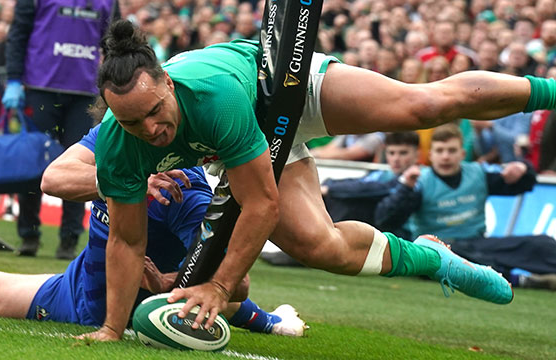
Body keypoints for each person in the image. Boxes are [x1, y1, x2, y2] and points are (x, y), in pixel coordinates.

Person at [89, 19, 556, 341]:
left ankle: (550, 92)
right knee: (321, 248)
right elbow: (127, 243)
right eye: (132, 123)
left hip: (283, 92)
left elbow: (261, 205)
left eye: (154, 112)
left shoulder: (213, 99)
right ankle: (433, 258)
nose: (150, 129)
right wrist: (112, 329)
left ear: (167, 82)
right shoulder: (117, 144)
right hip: (243, 146)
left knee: (422, 107)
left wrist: (220, 287)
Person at [0, 124, 307, 337]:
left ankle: (269, 320)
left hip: (140, 310)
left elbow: (235, 283)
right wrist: (125, 183)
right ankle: (271, 319)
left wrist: (166, 283)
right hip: (73, 291)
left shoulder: (184, 191)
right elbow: (52, 178)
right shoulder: (114, 136)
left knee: (216, 305)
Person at [3, 0, 119, 260]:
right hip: (40, 89)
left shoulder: (108, 2)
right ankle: (29, 235)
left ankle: (69, 240)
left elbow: (113, 45)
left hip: (84, 96)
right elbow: (18, 34)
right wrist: (12, 79)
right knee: (33, 165)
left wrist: (114, 85)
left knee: (79, 166)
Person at [374, 124, 556, 289]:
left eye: (451, 150)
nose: (445, 156)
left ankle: (514, 275)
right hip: (437, 249)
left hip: (477, 243)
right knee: (450, 258)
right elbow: (385, 219)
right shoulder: (418, 181)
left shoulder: (479, 174)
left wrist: (523, 168)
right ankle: (520, 281)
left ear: (462, 154)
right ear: (430, 155)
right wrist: (405, 189)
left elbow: (523, 184)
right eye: (440, 150)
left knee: (542, 244)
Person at [321, 132, 420, 239]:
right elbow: (359, 184)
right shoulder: (381, 174)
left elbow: (382, 212)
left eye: (403, 153)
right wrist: (329, 185)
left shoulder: (419, 179)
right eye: (391, 153)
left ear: (416, 155)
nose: (396, 158)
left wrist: (331, 189)